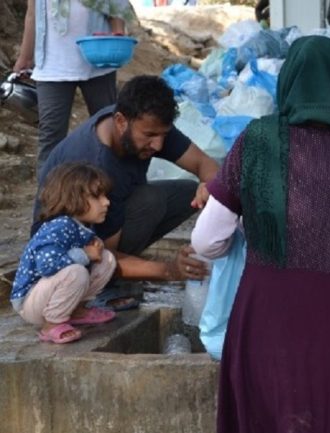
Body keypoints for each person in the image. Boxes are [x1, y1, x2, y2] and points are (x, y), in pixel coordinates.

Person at [190, 36, 330, 433]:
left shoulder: (257, 141)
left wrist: (251, 230)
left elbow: (205, 242)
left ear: (288, 82)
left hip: (261, 315)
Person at [34, 75, 220, 284]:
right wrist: (169, 270)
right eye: (150, 135)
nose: (158, 145)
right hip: (65, 255)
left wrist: (209, 186)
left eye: (163, 135)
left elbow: (204, 163)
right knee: (149, 200)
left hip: (107, 222)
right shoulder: (96, 166)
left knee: (189, 192)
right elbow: (102, 254)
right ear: (121, 121)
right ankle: (108, 284)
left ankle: (128, 263)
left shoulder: (147, 122)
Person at [13, 0, 137, 170]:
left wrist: (117, 35)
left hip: (99, 62)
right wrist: (25, 57)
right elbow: (32, 14)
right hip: (52, 66)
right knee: (51, 136)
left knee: (111, 129)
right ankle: (48, 193)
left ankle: (116, 186)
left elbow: (115, 6)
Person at [11, 163, 117, 344]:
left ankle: (77, 310)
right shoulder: (59, 226)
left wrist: (94, 248)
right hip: (30, 301)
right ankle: (51, 325)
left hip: (50, 293)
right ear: (72, 198)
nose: (106, 202)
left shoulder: (78, 225)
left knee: (106, 259)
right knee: (76, 272)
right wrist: (85, 254)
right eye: (97, 196)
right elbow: (48, 265)